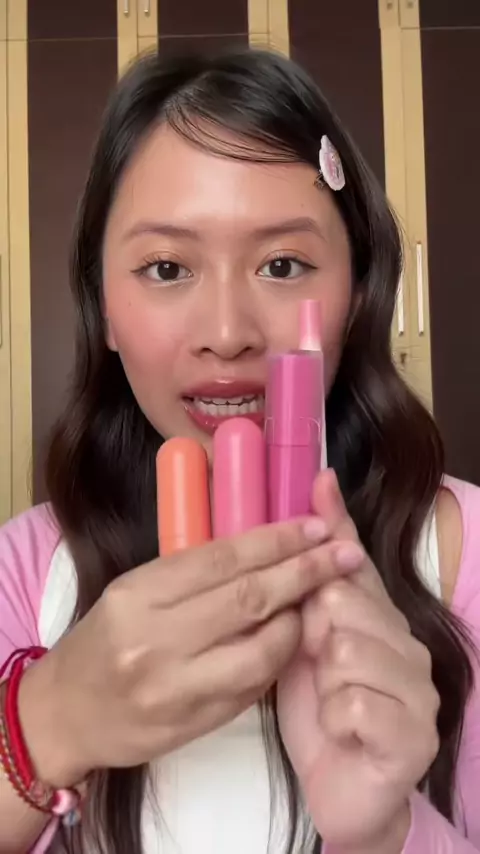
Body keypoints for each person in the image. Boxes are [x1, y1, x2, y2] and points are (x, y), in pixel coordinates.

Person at [0, 46, 479, 854]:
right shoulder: (25, 565)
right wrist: (46, 724)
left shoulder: (469, 552)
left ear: (359, 293)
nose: (227, 335)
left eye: (283, 264)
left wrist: (387, 830)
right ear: (103, 307)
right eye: (166, 268)